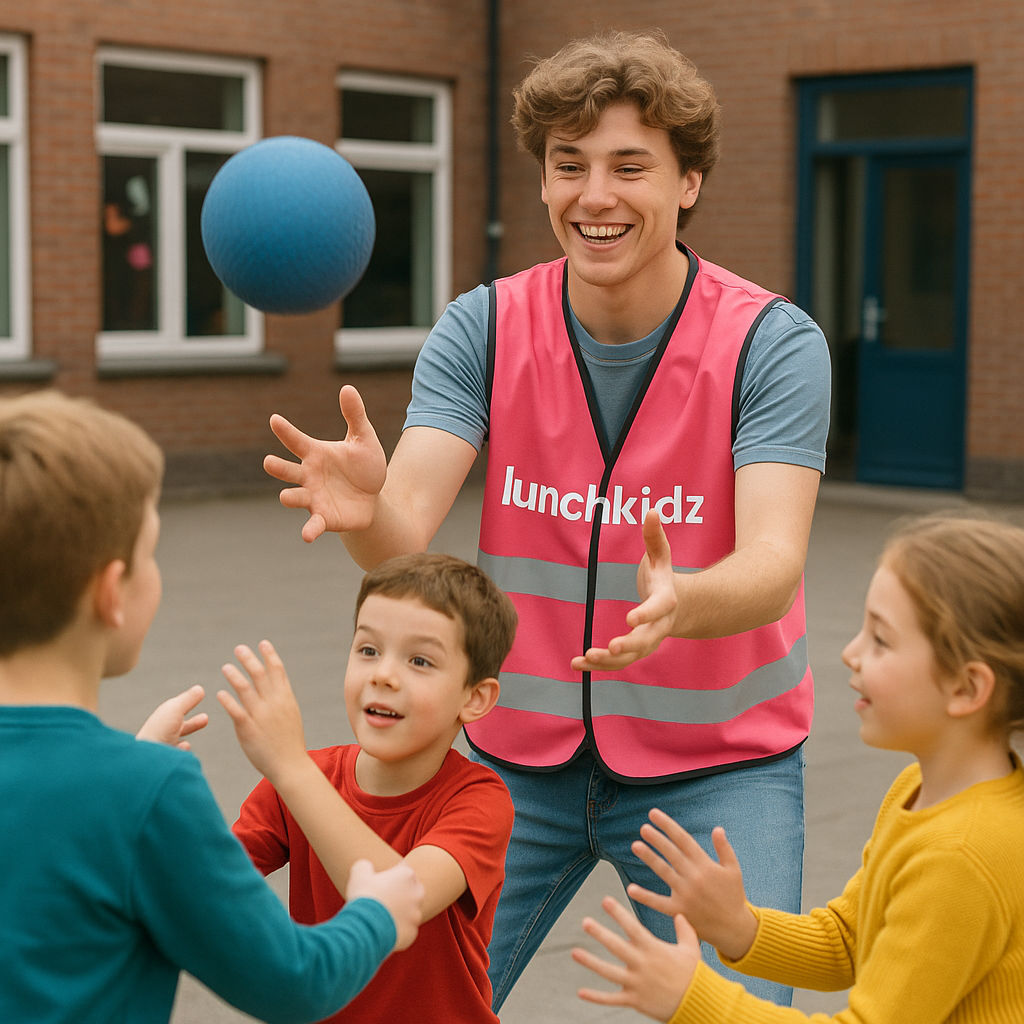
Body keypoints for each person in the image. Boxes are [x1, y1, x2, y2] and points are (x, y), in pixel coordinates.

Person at [263, 29, 830, 1007]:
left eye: (628, 166)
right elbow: (405, 529)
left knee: (735, 1009)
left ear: (688, 180)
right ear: (542, 181)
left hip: (718, 767)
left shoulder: (768, 344)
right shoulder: (483, 327)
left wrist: (686, 599)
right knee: (383, 992)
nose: (593, 195)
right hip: (513, 759)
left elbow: (774, 560)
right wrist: (365, 513)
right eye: (568, 166)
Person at [0, 390, 423, 1024]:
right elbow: (293, 982)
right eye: (150, 553)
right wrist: (377, 912)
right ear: (111, 593)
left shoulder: (130, 788)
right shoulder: (148, 795)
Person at [573, 514, 1024, 1023]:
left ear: (967, 688)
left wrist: (691, 998)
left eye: (881, 640)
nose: (852, 654)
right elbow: (848, 943)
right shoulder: (921, 788)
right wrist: (741, 927)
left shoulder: (960, 856)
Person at [219, 552, 519, 1024]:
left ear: (474, 697)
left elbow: (397, 898)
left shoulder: (480, 801)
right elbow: (207, 882)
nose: (383, 674)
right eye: (368, 650)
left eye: (420, 660)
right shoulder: (299, 780)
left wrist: (292, 771)